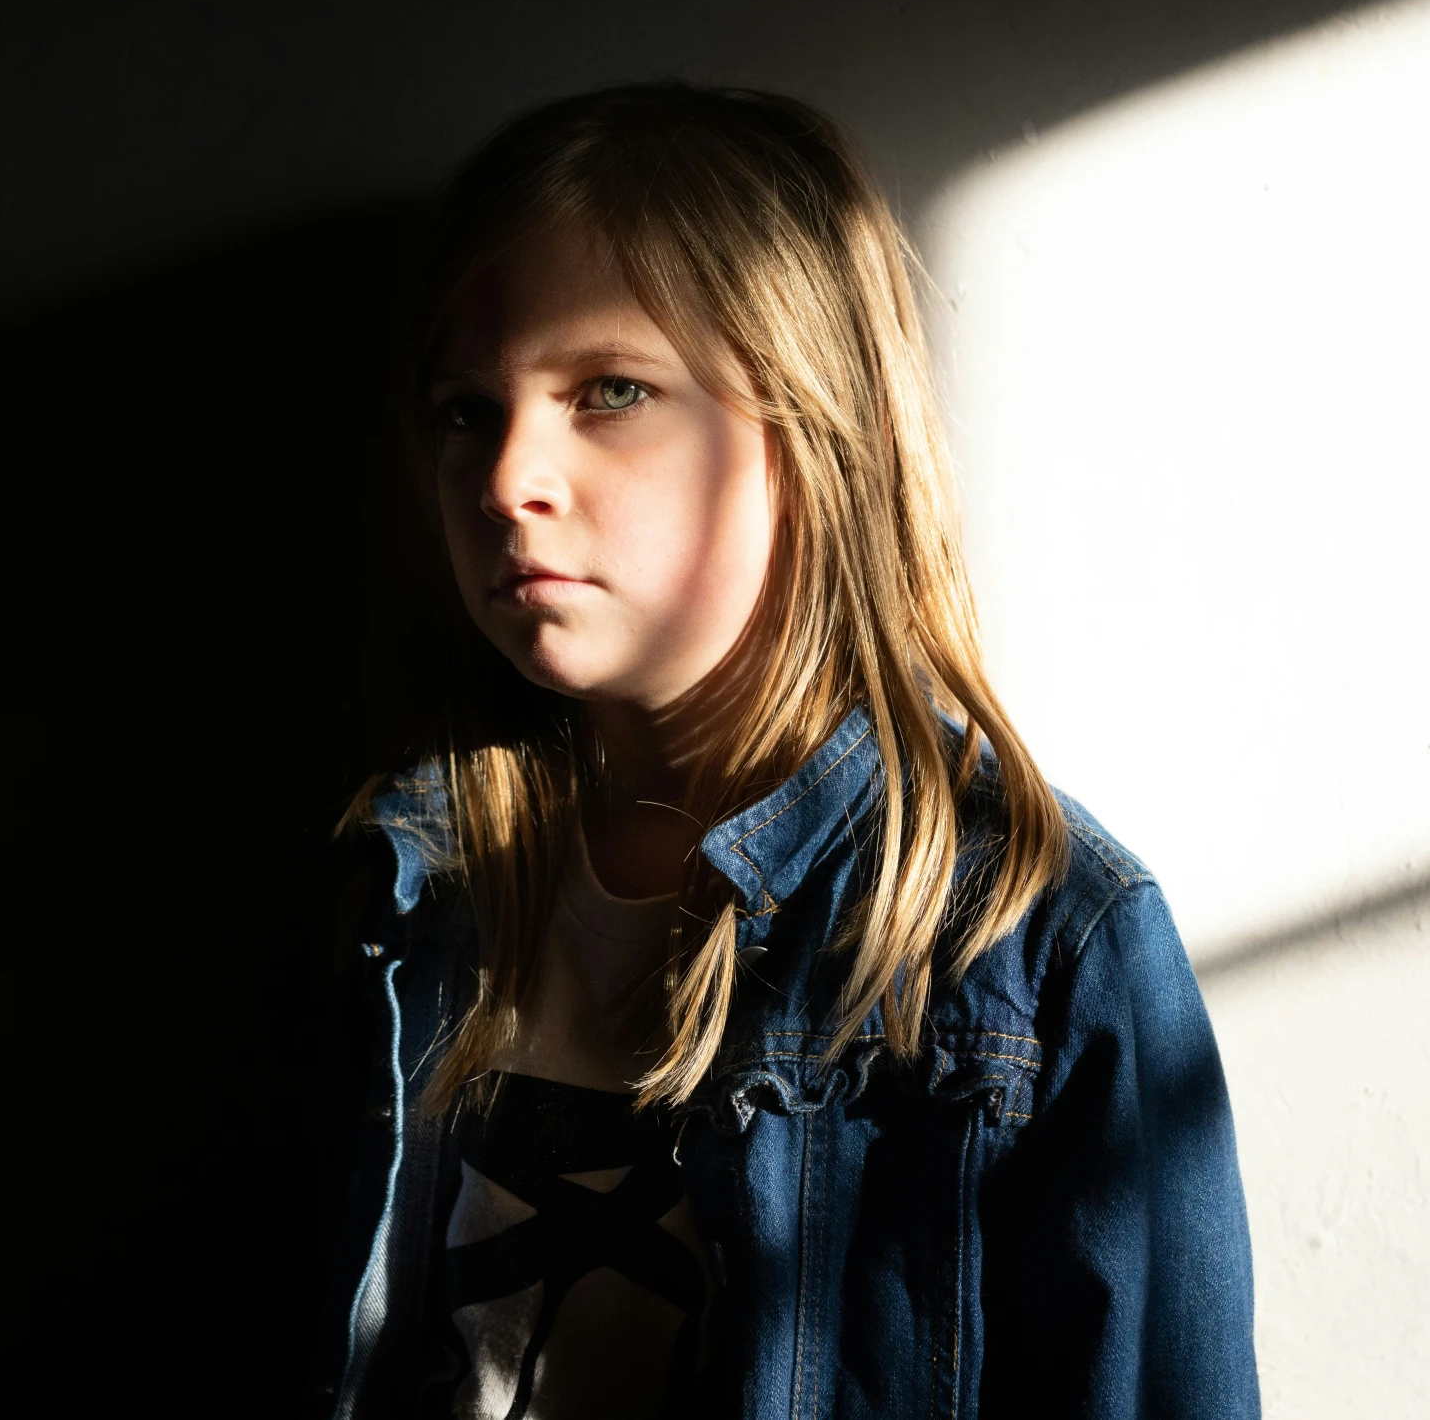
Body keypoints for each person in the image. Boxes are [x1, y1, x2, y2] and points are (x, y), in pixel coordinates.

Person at [313, 84, 1259, 1419]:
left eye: (611, 391)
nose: (507, 475)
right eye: (466, 409)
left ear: (820, 436)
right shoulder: (416, 884)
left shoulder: (1031, 949)